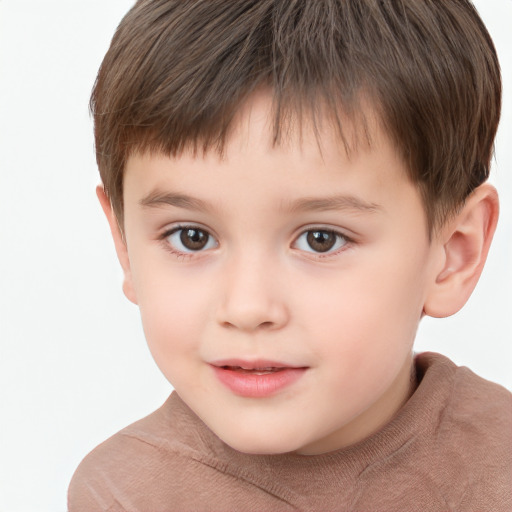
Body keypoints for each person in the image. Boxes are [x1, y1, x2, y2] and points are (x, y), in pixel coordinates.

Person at [67, 0, 511, 510]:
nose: (247, 308)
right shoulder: (126, 493)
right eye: (191, 236)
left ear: (454, 253)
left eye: (321, 239)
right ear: (124, 243)